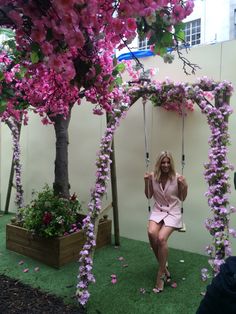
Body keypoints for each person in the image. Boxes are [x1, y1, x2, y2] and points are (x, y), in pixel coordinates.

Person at [144, 151, 188, 293]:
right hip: (158, 210)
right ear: (159, 163)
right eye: (163, 162)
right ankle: (165, 268)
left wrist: (184, 185)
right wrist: (146, 182)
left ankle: (161, 275)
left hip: (173, 212)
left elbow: (182, 199)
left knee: (161, 238)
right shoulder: (153, 177)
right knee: (151, 233)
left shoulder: (177, 178)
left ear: (171, 163)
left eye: (168, 162)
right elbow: (149, 195)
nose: (166, 165)